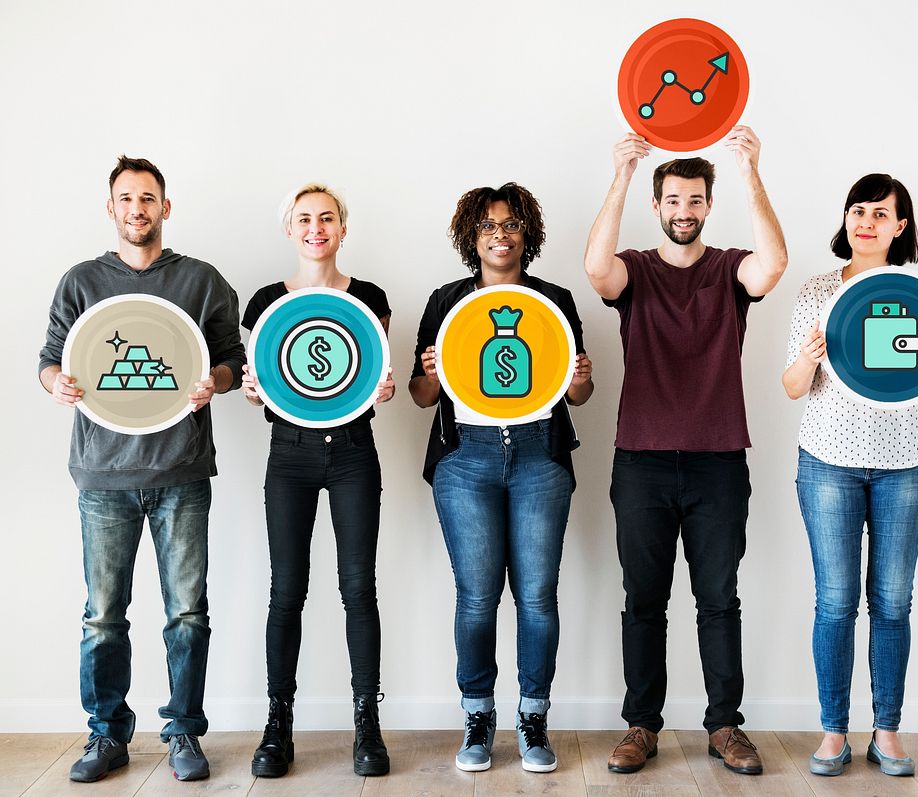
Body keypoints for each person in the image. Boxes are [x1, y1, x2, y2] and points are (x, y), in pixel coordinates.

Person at [583, 128, 787, 776]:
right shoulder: (636, 269)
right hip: (641, 460)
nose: (683, 211)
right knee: (644, 598)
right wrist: (619, 174)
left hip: (718, 461)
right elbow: (596, 269)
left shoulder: (729, 268)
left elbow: (773, 264)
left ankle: (725, 725)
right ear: (657, 205)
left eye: (694, 200)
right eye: (673, 200)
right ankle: (641, 725)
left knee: (718, 598)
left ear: (707, 204)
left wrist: (750, 170)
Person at [38, 156, 246, 783]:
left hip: (182, 471)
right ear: (111, 208)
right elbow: (51, 359)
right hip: (102, 475)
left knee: (187, 612)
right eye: (126, 198)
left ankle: (183, 731)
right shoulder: (80, 283)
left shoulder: (202, 282)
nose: (137, 209)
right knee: (103, 615)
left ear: (165, 207)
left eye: (148, 198)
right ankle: (106, 736)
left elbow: (234, 360)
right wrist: (58, 386)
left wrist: (216, 381)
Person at [782, 174, 918, 777]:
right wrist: (809, 358)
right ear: (846, 219)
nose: (866, 221)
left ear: (900, 227)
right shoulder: (816, 292)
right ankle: (833, 733)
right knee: (835, 602)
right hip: (827, 463)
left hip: (906, 466)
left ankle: (886, 732)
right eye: (858, 210)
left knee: (891, 602)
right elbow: (790, 388)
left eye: (880, 214)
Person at [409, 183, 593, 773]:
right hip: (466, 459)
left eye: (511, 224)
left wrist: (580, 377)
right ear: (472, 235)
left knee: (538, 597)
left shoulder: (555, 299)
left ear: (526, 235)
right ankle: (479, 715)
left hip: (540, 455)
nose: (500, 234)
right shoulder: (445, 301)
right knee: (477, 596)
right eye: (488, 225)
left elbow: (579, 395)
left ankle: (534, 718)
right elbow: (419, 398)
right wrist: (431, 373)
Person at [241, 184, 395, 778]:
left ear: (342, 227)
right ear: (289, 229)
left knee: (359, 589)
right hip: (291, 455)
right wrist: (254, 389)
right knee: (287, 590)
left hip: (355, 453)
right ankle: (278, 727)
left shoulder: (371, 298)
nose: (315, 228)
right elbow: (264, 379)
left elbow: (368, 372)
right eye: (303, 219)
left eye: (326, 218)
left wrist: (379, 386)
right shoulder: (264, 302)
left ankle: (367, 726)